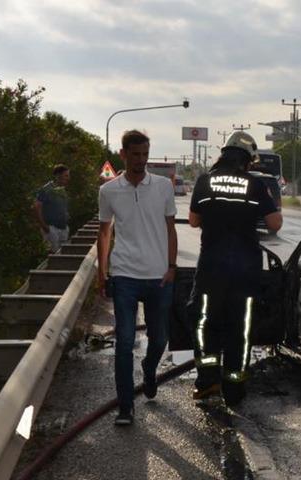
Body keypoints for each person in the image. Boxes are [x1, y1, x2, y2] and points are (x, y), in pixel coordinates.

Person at [188, 131, 282, 405]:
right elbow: (275, 224)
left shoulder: (205, 181)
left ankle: (207, 382)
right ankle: (234, 389)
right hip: (245, 270)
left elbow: (194, 221)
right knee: (240, 328)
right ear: (248, 159)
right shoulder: (254, 185)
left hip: (211, 268)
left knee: (205, 322)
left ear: (224, 153)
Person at [97, 130, 178, 426]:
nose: (141, 160)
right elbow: (104, 233)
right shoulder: (109, 191)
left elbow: (171, 228)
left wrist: (171, 267)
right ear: (123, 154)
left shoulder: (162, 187)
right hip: (125, 275)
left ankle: (149, 367)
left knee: (160, 338)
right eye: (135, 154)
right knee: (124, 341)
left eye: (145, 154)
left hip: (158, 275)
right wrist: (101, 274)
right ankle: (125, 407)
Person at [34, 164, 71, 253]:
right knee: (53, 257)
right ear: (58, 176)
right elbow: (36, 207)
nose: (68, 178)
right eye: (66, 175)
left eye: (68, 175)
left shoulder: (62, 190)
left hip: (63, 228)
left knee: (63, 256)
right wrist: (45, 227)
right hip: (51, 229)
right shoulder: (46, 189)